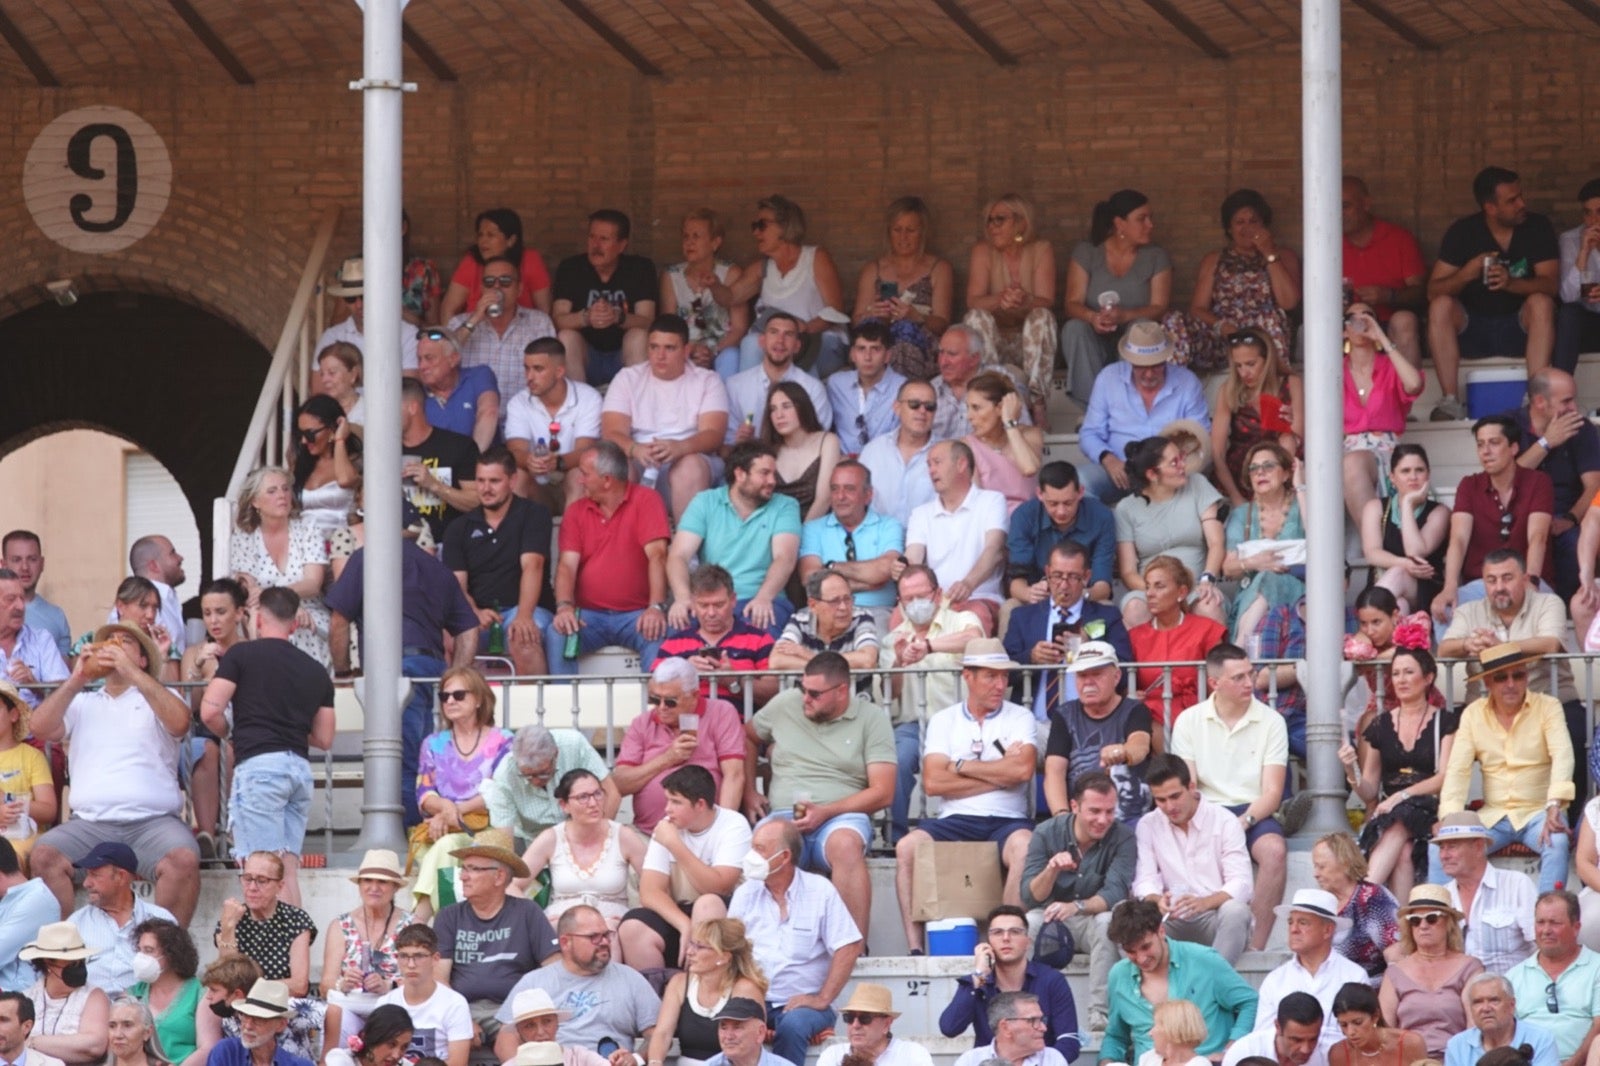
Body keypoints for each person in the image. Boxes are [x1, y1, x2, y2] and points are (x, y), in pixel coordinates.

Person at [29, 623, 198, 925]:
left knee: (184, 860)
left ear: (144, 658)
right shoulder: (81, 702)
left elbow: (180, 723)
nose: (114, 647)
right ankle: (60, 955)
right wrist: (77, 678)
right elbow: (39, 728)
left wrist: (131, 672)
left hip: (153, 824)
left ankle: (166, 958)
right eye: (108, 643)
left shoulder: (160, 696)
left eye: (125, 642)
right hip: (90, 825)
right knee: (43, 856)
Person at [893, 639, 1036, 951]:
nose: (1000, 685)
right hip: (955, 819)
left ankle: (1006, 945)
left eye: (1004, 677)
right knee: (906, 848)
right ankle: (916, 949)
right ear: (967, 676)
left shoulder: (1020, 716)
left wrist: (960, 766)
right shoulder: (944, 719)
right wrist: (1000, 773)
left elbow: (1022, 771)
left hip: (1007, 820)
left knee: (1025, 847)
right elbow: (933, 782)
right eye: (990, 676)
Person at [200, 588, 334, 906]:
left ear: (258, 619)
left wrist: (234, 733)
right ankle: (295, 953)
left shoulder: (241, 656)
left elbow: (210, 711)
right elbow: (325, 738)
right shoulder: (315, 669)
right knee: (285, 873)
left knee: (260, 874)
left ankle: (267, 956)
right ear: (294, 623)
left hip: (259, 769)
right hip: (299, 771)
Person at [744, 652, 894, 936]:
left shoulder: (872, 719)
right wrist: (749, 792)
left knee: (846, 846)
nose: (805, 699)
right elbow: (749, 736)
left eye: (814, 694)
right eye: (803, 690)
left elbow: (883, 792)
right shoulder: (786, 704)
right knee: (764, 849)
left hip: (841, 817)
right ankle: (767, 943)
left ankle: (852, 947)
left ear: (841, 691)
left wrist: (827, 811)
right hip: (785, 813)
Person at [1170, 643, 1289, 951]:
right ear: (1214, 683)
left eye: (1250, 674)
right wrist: (1214, 823)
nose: (1249, 683)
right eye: (1238, 678)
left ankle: (1255, 947)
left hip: (1253, 808)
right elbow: (1189, 784)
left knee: (1274, 851)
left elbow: (1273, 792)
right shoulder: (1189, 720)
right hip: (1205, 808)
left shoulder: (1272, 721)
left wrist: (1244, 821)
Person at [1426, 167, 1560, 421]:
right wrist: (1467, 273)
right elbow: (1433, 290)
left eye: (1521, 196)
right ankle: (1450, 401)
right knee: (1441, 305)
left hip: (1519, 328)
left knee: (1542, 302)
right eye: (1512, 200)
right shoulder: (1463, 231)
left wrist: (1511, 283)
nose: (1522, 204)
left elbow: (1551, 285)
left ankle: (1535, 398)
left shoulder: (1537, 226)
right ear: (1490, 207)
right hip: (1473, 328)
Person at [1439, 643, 1574, 892]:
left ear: (1527, 677)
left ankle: (1545, 920)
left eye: (1518, 675)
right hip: (1493, 816)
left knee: (1557, 841)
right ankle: (1441, 915)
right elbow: (1458, 770)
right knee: (1443, 845)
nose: (1510, 683)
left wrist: (1555, 804)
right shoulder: (1472, 714)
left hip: (1540, 812)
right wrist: (1450, 819)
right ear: (1488, 683)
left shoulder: (1548, 706)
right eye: (1501, 678)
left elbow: (1563, 755)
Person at [729, 819, 862, 1066]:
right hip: (755, 1000)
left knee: (793, 1025)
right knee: (725, 1023)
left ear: (785, 856)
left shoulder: (819, 890)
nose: (751, 857)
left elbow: (849, 946)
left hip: (804, 1005)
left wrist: (822, 999)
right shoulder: (745, 894)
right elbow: (729, 952)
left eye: (760, 849)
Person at [544, 441, 671, 674]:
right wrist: (564, 607)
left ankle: (655, 708)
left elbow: (658, 557)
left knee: (659, 631)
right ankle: (562, 709)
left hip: (637, 615)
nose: (580, 480)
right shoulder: (576, 510)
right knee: (557, 632)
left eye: (585, 474)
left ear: (607, 480)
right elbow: (566, 567)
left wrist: (655, 607)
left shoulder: (646, 500)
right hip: (588, 616)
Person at [1341, 646, 1457, 900]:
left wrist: (1401, 796)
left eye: (1408, 672)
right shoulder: (1381, 724)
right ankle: (1403, 927)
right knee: (1403, 853)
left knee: (1402, 814)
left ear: (1428, 678)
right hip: (1392, 812)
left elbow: (1443, 779)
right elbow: (1369, 789)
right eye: (1395, 674)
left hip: (1429, 807)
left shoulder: (1445, 721)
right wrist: (1351, 770)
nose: (1401, 680)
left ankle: (1361, 896)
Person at [1021, 772, 1134, 1031]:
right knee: (1028, 922)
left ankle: (1100, 1015)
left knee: (1109, 921)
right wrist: (1051, 870)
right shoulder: (1046, 832)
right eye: (1094, 811)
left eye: (1109, 811)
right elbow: (1029, 897)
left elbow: (1115, 893)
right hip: (1052, 921)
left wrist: (1076, 906)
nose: (1103, 819)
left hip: (1090, 919)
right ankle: (1025, 1010)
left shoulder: (1123, 836)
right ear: (1074, 806)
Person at [878, 565, 981, 842]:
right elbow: (889, 695)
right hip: (915, 725)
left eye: (920, 596)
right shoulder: (893, 639)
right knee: (895, 761)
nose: (914, 604)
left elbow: (975, 639)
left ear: (937, 594)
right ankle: (895, 839)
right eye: (907, 599)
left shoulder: (962, 620)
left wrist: (930, 646)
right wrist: (899, 662)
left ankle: (970, 834)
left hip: (962, 722)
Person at [616, 765, 749, 972]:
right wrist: (684, 924)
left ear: (700, 805)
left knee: (706, 904)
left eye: (676, 802)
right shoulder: (667, 827)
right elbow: (650, 893)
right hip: (681, 912)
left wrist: (675, 845)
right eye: (668, 800)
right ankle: (656, 995)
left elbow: (719, 887)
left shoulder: (733, 825)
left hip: (724, 914)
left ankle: (699, 990)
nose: (667, 809)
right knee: (633, 927)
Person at [432, 828, 558, 1047]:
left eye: (472, 869)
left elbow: (554, 969)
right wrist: (461, 1018)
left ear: (499, 876)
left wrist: (526, 1013)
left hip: (516, 1010)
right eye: (463, 868)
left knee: (512, 1036)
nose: (462, 876)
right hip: (462, 1008)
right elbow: (439, 979)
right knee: (451, 1036)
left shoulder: (527, 912)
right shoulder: (448, 916)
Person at [600, 314, 730, 523]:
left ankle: (685, 550)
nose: (660, 355)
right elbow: (611, 432)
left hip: (690, 458)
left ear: (687, 350)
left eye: (669, 348)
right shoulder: (627, 377)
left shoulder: (708, 380)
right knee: (613, 463)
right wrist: (635, 449)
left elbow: (714, 434)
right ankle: (621, 545)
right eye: (653, 347)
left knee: (689, 467)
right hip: (640, 458)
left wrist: (680, 448)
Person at [491, 905, 660, 1064]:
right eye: (593, 937)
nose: (604, 942)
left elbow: (657, 1035)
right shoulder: (534, 982)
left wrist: (636, 1058)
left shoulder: (631, 979)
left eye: (606, 935)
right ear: (565, 942)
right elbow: (505, 1039)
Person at [1100, 899, 1259, 1065]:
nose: (1141, 958)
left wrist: (1230, 1051)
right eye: (1131, 952)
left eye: (1146, 947)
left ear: (1161, 931)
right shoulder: (1118, 975)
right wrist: (1107, 1062)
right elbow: (1116, 1036)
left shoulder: (1204, 960)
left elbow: (1250, 1002)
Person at [1131, 754, 1255, 964]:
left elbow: (1242, 884)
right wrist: (1157, 900)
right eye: (1160, 800)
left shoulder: (1225, 821)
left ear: (1191, 787)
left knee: (1236, 911)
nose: (1169, 806)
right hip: (1169, 919)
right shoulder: (1148, 824)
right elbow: (1144, 881)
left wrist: (1204, 903)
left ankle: (1213, 986)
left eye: (1175, 796)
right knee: (1123, 917)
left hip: (1214, 918)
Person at [667, 441, 801, 636]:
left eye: (774, 473)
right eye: (764, 473)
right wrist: (682, 598)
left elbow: (785, 558)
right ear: (740, 474)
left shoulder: (785, 505)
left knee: (761, 636)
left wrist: (764, 597)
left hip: (761, 599)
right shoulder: (706, 502)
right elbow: (678, 555)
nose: (773, 480)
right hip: (712, 601)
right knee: (677, 639)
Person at [1162, 188, 1301, 374]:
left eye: (1253, 221)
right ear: (1229, 227)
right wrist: (1222, 326)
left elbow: (1289, 302)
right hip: (1223, 334)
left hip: (1263, 335)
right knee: (1173, 320)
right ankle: (1173, 383)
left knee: (1271, 321)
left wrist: (1269, 253)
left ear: (1264, 225)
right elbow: (1197, 308)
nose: (1247, 228)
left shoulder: (1283, 256)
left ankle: (1273, 379)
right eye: (1239, 222)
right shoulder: (1214, 259)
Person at [442, 449, 555, 676]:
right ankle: (458, 704)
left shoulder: (534, 514)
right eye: (480, 481)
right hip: (478, 614)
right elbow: (456, 584)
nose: (486, 488)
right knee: (446, 639)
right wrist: (473, 611)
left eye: (494, 481)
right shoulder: (459, 527)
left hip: (526, 609)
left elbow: (533, 566)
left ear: (512, 481)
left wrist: (524, 616)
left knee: (522, 636)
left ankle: (533, 710)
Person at [1433, 417, 1554, 623]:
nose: (1485, 451)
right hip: (1482, 585)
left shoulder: (1538, 482)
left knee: (1542, 608)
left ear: (1514, 447)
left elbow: (1538, 536)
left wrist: (1531, 580)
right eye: (1480, 445)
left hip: (1525, 579)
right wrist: (1450, 586)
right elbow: (1458, 540)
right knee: (1444, 609)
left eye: (1494, 443)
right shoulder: (1469, 485)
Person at [1058, 189, 1173, 406]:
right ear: (1120, 223)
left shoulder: (1156, 256)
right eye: (1142, 219)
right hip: (1096, 339)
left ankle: (1129, 405)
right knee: (1074, 327)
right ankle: (1092, 408)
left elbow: (1159, 306)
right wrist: (1093, 318)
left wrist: (1126, 316)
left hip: (1134, 340)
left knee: (1141, 326)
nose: (1150, 224)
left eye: (1150, 218)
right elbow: (1071, 304)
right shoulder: (1088, 252)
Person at [1078, 321, 1211, 503]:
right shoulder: (1108, 378)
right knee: (1081, 482)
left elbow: (1200, 437)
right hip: (1120, 471)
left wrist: (1171, 468)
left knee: (1200, 486)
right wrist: (1108, 459)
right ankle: (1102, 529)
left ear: (1166, 359)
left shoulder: (1187, 382)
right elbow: (1089, 433)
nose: (1149, 374)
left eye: (1155, 365)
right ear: (1129, 360)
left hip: (1170, 475)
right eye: (1140, 366)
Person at [719, 195, 849, 380]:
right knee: (750, 343)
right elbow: (730, 297)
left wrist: (803, 330)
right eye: (754, 226)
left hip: (822, 342)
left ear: (785, 225)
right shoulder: (761, 268)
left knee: (795, 349)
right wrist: (714, 284)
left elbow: (835, 310)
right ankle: (749, 406)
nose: (756, 233)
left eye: (762, 225)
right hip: (780, 344)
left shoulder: (815, 257)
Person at [408, 669, 514, 895]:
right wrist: (446, 809)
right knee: (443, 847)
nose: (450, 701)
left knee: (443, 849)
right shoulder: (433, 743)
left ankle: (422, 917)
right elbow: (424, 792)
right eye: (444, 696)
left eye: (459, 695)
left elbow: (500, 791)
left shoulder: (503, 740)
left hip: (490, 827)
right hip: (443, 827)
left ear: (478, 699)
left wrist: (454, 811)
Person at [613, 659, 744, 834]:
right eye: (654, 699)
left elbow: (734, 775)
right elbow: (620, 784)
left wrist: (722, 831)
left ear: (694, 696)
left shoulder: (721, 713)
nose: (661, 707)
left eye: (670, 702)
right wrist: (668, 758)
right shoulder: (642, 723)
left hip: (705, 835)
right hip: (649, 834)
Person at [963, 195, 1058, 427]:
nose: (992, 226)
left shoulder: (1040, 249)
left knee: (1043, 317)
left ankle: (1037, 403)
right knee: (976, 317)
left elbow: (1047, 300)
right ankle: (991, 396)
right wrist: (1000, 300)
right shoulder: (982, 251)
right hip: (994, 345)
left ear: (1021, 223)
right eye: (989, 221)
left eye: (1000, 220)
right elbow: (973, 300)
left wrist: (1024, 301)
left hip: (1029, 346)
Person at [1115, 435, 1227, 629]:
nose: (1183, 465)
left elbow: (1216, 543)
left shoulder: (1198, 485)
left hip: (1197, 587)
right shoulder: (1126, 508)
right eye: (1174, 462)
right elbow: (1128, 572)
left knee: (1209, 607)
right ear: (1152, 474)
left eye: (1182, 457)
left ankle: (1218, 660)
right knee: (1135, 609)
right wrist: (1159, 591)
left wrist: (1207, 578)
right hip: (1148, 591)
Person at [212, 851, 319, 1052]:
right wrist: (228, 926)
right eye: (247, 879)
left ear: (280, 886)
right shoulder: (232, 918)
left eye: (262, 881)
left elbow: (299, 984)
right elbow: (228, 978)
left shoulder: (295, 920)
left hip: (280, 1004)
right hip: (241, 1005)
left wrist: (250, 991)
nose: (252, 887)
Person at [517, 769, 646, 931]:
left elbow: (657, 886)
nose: (593, 803)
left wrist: (634, 918)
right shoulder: (551, 838)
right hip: (562, 923)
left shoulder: (624, 836)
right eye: (583, 797)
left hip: (611, 924)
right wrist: (536, 917)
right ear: (564, 805)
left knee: (606, 937)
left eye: (598, 794)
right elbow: (512, 885)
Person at [228, 467, 330, 669]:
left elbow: (312, 584)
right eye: (272, 491)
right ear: (255, 502)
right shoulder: (245, 538)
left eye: (285, 489)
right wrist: (284, 605)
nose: (282, 495)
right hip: (266, 614)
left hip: (309, 613)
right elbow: (249, 592)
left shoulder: (307, 528)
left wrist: (282, 598)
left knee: (301, 627)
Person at [903, 440, 1008, 634]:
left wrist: (968, 584)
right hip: (930, 603)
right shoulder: (920, 513)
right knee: (897, 620)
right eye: (929, 464)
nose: (931, 470)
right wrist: (902, 568)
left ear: (961, 464)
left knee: (974, 617)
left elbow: (994, 551)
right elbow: (912, 559)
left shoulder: (992, 501)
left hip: (979, 597)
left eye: (937, 462)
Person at [1513, 369, 1599, 601]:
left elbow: (1594, 485)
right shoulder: (1509, 424)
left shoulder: (1582, 428)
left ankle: (1570, 609)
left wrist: (1570, 519)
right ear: (1540, 402)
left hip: (1564, 516)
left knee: (1575, 544)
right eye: (1567, 401)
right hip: (1517, 515)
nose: (1574, 408)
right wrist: (1546, 442)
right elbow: (1506, 478)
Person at [1038, 638, 1146, 822]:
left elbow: (1139, 747)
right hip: (1080, 818)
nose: (1088, 683)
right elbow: (1054, 771)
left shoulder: (1134, 710)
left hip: (1127, 817)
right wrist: (1062, 817)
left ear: (1117, 676)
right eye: (1081, 676)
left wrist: (1122, 751)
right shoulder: (1064, 714)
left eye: (1096, 674)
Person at [851, 196, 954, 382]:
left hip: (920, 346)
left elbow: (943, 323)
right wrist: (873, 314)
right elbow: (856, 321)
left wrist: (917, 318)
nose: (903, 237)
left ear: (922, 232)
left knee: (905, 331)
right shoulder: (873, 269)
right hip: (878, 345)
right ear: (888, 232)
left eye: (910, 230)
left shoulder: (938, 268)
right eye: (897, 230)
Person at [551, 209, 658, 386]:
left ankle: (637, 408)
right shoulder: (571, 268)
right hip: (587, 357)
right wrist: (586, 317)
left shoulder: (640, 268)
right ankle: (580, 408)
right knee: (566, 337)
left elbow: (648, 321)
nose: (596, 245)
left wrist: (618, 316)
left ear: (622, 245)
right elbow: (557, 320)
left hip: (623, 356)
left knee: (638, 336)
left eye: (604, 239)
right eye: (592, 237)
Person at [1253, 889, 1369, 1051]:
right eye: (1290, 922)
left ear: (1327, 930)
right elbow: (1262, 1039)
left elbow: (1361, 1036)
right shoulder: (1275, 979)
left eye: (1303, 922)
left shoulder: (1354, 976)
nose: (1293, 929)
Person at [319, 850, 415, 1044]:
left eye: (382, 882)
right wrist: (342, 984)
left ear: (395, 887)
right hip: (352, 1005)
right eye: (367, 881)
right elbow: (325, 985)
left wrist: (389, 985)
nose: (374, 888)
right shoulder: (340, 925)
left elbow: (423, 981)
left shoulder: (411, 925)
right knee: (337, 1019)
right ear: (360, 885)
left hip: (396, 1008)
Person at [645, 918, 767, 1066]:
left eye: (700, 947)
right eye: (691, 943)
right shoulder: (679, 983)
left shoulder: (746, 989)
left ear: (723, 957)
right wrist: (654, 1062)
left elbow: (750, 1047)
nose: (689, 952)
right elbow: (663, 1034)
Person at [450, 255, 558, 421]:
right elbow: (444, 356)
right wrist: (475, 319)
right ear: (481, 288)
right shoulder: (460, 322)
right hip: (473, 420)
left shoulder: (539, 323)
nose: (496, 288)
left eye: (505, 281)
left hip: (525, 419)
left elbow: (552, 378)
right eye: (489, 282)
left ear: (519, 289)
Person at [651, 565, 779, 706]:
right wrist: (685, 672)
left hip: (740, 725)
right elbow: (650, 691)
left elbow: (775, 692)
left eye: (719, 605)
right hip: (689, 725)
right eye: (703, 606)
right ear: (693, 603)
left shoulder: (759, 640)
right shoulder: (673, 644)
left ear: (733, 600)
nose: (711, 613)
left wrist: (735, 680)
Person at [1127, 556, 1228, 727]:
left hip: (1198, 716)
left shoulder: (1206, 630)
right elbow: (1125, 687)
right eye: (1147, 587)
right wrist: (1132, 694)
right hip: (1152, 718)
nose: (1150, 593)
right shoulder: (1135, 636)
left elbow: (1220, 683)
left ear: (1181, 592)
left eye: (1159, 586)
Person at [797, 460, 904, 621]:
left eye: (849, 489)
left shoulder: (888, 525)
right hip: (823, 613)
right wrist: (868, 584)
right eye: (834, 489)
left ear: (868, 495)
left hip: (877, 612)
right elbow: (810, 579)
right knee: (789, 642)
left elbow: (885, 569)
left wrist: (831, 567)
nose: (840, 496)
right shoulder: (813, 529)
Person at [504, 338, 603, 511]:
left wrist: (558, 463)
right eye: (526, 368)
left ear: (559, 371)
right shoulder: (518, 402)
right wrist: (529, 460)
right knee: (517, 477)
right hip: (537, 486)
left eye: (538, 369)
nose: (529, 377)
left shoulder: (589, 398)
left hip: (572, 480)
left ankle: (572, 536)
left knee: (579, 475)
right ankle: (513, 537)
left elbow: (586, 451)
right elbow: (514, 451)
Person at [1222, 441, 1307, 642]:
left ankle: (1241, 646)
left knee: (1269, 578)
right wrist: (1254, 563)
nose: (1260, 472)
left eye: (1268, 466)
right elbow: (1228, 568)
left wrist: (1300, 486)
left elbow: (1319, 536)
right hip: (1251, 593)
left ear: (1286, 473)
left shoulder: (1302, 505)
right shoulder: (1242, 514)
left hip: (1299, 589)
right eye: (1254, 469)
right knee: (1265, 578)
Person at [1433, 812, 1537, 974]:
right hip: (1460, 993)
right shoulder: (1441, 896)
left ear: (1478, 847)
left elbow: (1540, 946)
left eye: (1452, 846)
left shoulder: (1517, 884)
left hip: (1511, 991)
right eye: (1442, 848)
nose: (1444, 855)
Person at [1505, 891, 1600, 1066]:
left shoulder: (1597, 968)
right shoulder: (1513, 976)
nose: (1546, 930)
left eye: (1555, 923)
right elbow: (1504, 1032)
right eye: (1540, 922)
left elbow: (1599, 1027)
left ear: (1576, 927)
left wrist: (1572, 1063)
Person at [65, 842, 174, 996]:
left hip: (144, 1010)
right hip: (89, 1011)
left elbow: (177, 977)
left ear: (121, 877)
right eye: (87, 875)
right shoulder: (76, 923)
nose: (86, 883)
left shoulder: (161, 920)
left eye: (95, 875)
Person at [481, 726, 618, 846]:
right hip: (529, 838)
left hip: (582, 830)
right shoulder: (505, 774)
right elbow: (504, 834)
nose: (535, 781)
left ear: (555, 754)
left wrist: (596, 840)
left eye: (543, 774)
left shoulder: (574, 744)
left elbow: (612, 794)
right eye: (528, 775)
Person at [1342, 176, 1427, 366]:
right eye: (1333, 208)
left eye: (1345, 206)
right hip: (1347, 325)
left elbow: (1420, 292)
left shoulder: (1398, 238)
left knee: (1404, 320)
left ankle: (1409, 391)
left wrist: (1388, 295)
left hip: (1388, 323)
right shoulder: (1327, 244)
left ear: (1366, 204)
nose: (1339, 214)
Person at [1212, 329, 1303, 505]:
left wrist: (1291, 421)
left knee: (1287, 439)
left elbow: (1300, 433)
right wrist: (1235, 497)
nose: (1244, 372)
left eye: (1250, 364)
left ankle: (1280, 499)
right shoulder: (1228, 390)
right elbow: (1217, 453)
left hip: (1284, 464)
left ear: (1267, 360)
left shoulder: (1291, 383)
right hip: (1244, 468)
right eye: (1238, 366)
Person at [1007, 464, 1116, 605]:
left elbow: (1103, 586)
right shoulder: (1024, 516)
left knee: (1106, 606)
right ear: (1040, 494)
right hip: (1038, 599)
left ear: (1081, 492)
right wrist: (1029, 593)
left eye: (1068, 503)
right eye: (1053, 503)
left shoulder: (1101, 516)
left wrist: (1083, 595)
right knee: (1010, 607)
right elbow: (1016, 583)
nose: (1061, 511)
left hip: (1084, 599)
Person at [1361, 444, 1451, 615]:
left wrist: (1408, 504)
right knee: (1399, 605)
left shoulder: (1439, 512)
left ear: (1428, 474)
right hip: (1384, 585)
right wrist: (1405, 564)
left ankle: (1368, 624)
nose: (1413, 477)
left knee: (1398, 573)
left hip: (1424, 590)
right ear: (1392, 477)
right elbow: (1372, 553)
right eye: (1405, 471)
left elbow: (1414, 552)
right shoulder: (1376, 507)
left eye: (1419, 470)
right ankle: (1395, 638)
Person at [659, 208, 751, 372]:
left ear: (715, 243)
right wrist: (691, 350)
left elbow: (739, 328)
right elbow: (669, 327)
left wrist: (712, 352)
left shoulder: (731, 273)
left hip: (721, 349)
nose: (689, 242)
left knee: (731, 357)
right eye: (686, 236)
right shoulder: (671, 276)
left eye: (696, 236)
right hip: (685, 350)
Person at [396, 375, 482, 544]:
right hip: (397, 547)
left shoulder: (458, 446)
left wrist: (434, 485)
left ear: (413, 408)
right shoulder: (383, 452)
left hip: (448, 546)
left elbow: (478, 501)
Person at [726, 313, 834, 445]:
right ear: (762, 341)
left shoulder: (812, 388)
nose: (780, 340)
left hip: (796, 461)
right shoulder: (735, 385)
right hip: (750, 461)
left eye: (788, 334)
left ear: (797, 346)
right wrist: (740, 442)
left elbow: (818, 440)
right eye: (773, 332)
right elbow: (726, 446)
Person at [1309, 833, 1399, 985]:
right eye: (1315, 867)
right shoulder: (1321, 903)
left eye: (1321, 867)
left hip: (1368, 993)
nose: (1315, 874)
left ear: (1344, 863)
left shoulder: (1371, 899)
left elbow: (1396, 955)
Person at [373, 925, 470, 1066]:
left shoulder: (454, 1003)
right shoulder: (385, 1003)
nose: (411, 964)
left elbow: (458, 1063)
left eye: (419, 956)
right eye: (404, 956)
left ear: (435, 958)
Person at [20, 921, 111, 1066]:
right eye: (71, 963)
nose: (78, 968)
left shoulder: (94, 996)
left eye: (80, 962)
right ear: (48, 962)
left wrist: (32, 1042)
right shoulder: (26, 998)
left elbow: (94, 1046)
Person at [440, 208, 553, 323]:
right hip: (477, 333)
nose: (483, 241)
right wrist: (453, 339)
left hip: (523, 332)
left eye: (490, 235)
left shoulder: (530, 259)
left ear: (511, 240)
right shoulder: (472, 262)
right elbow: (448, 309)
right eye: (480, 235)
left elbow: (545, 309)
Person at [319, 256, 422, 375]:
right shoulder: (332, 337)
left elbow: (409, 387)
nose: (359, 305)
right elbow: (319, 389)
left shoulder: (407, 334)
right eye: (351, 298)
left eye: (365, 296)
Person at [928, 324, 1028, 443]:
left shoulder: (998, 379)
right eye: (941, 353)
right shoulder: (931, 389)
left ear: (974, 358)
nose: (943, 362)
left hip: (991, 458)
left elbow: (1024, 430)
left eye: (952, 354)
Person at [962, 371, 1043, 517]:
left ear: (1000, 408)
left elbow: (1029, 468)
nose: (969, 416)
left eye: (976, 408)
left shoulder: (1029, 434)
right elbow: (976, 502)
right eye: (967, 408)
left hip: (1029, 523)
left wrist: (1010, 424)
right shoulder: (967, 445)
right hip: (991, 524)